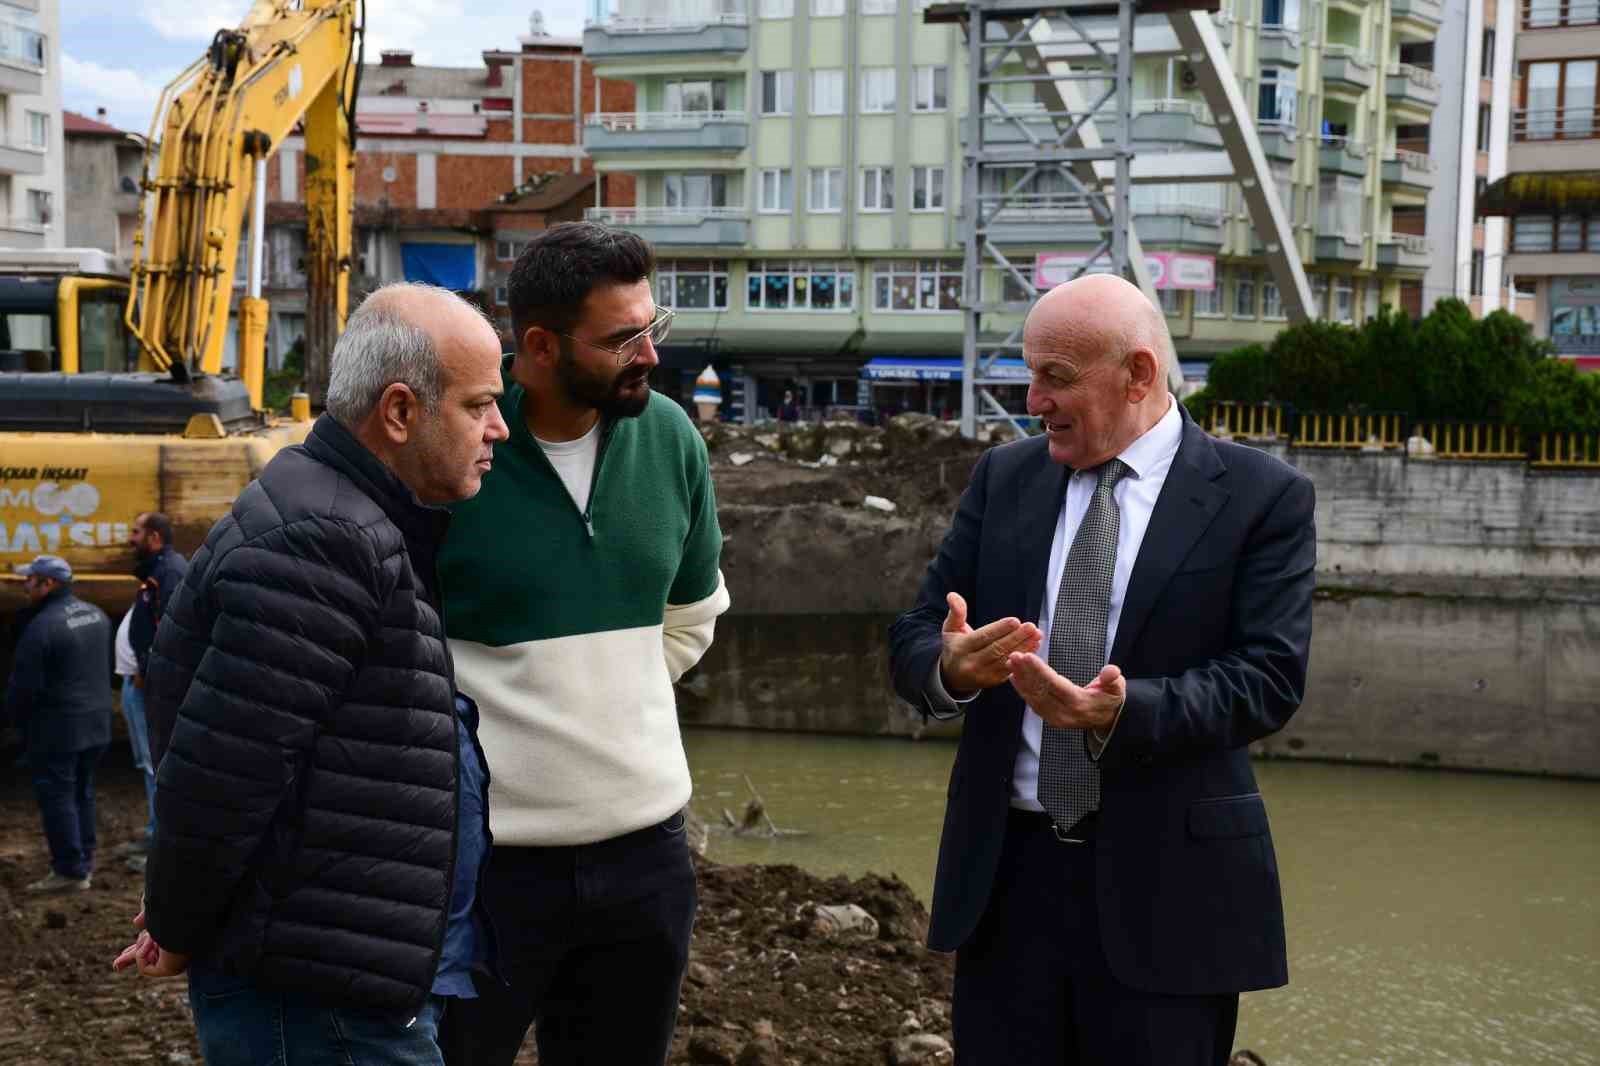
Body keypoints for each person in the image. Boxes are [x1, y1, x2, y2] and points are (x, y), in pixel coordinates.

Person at [888, 274, 1316, 1066]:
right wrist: (949, 666)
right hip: (1007, 884)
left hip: (1171, 895)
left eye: (1055, 377)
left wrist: (1118, 713)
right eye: (1030, 373)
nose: (1032, 399)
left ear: (1139, 374)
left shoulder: (1264, 498)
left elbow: (1269, 676)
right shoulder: (1005, 477)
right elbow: (914, 636)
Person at [110, 283, 511, 1066]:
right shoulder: (326, 539)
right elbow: (221, 776)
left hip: (336, 984)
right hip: (318, 1006)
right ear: (399, 412)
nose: (499, 428)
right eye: (478, 405)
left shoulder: (344, 517)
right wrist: (181, 926)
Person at [436, 221, 730, 1066]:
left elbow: (692, 615)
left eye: (652, 328)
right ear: (537, 346)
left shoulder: (672, 435)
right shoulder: (459, 452)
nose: (648, 354)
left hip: (647, 861)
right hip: (487, 871)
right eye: (620, 339)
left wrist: (609, 696)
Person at [3, 555, 113, 893]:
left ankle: (69, 870)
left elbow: (24, 689)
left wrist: (14, 724)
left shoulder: (41, 628)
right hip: (97, 722)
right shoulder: (97, 614)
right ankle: (85, 858)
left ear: (48, 584)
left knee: (57, 795)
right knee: (82, 790)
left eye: (30, 580)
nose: (25, 586)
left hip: (59, 728)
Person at [113, 511, 188, 871]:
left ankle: (162, 848)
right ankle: (155, 832)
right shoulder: (157, 572)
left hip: (150, 688)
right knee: (149, 764)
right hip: (142, 684)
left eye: (135, 530)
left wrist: (147, 670)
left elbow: (171, 630)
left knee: (156, 765)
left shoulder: (168, 573)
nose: (130, 538)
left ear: (154, 537)